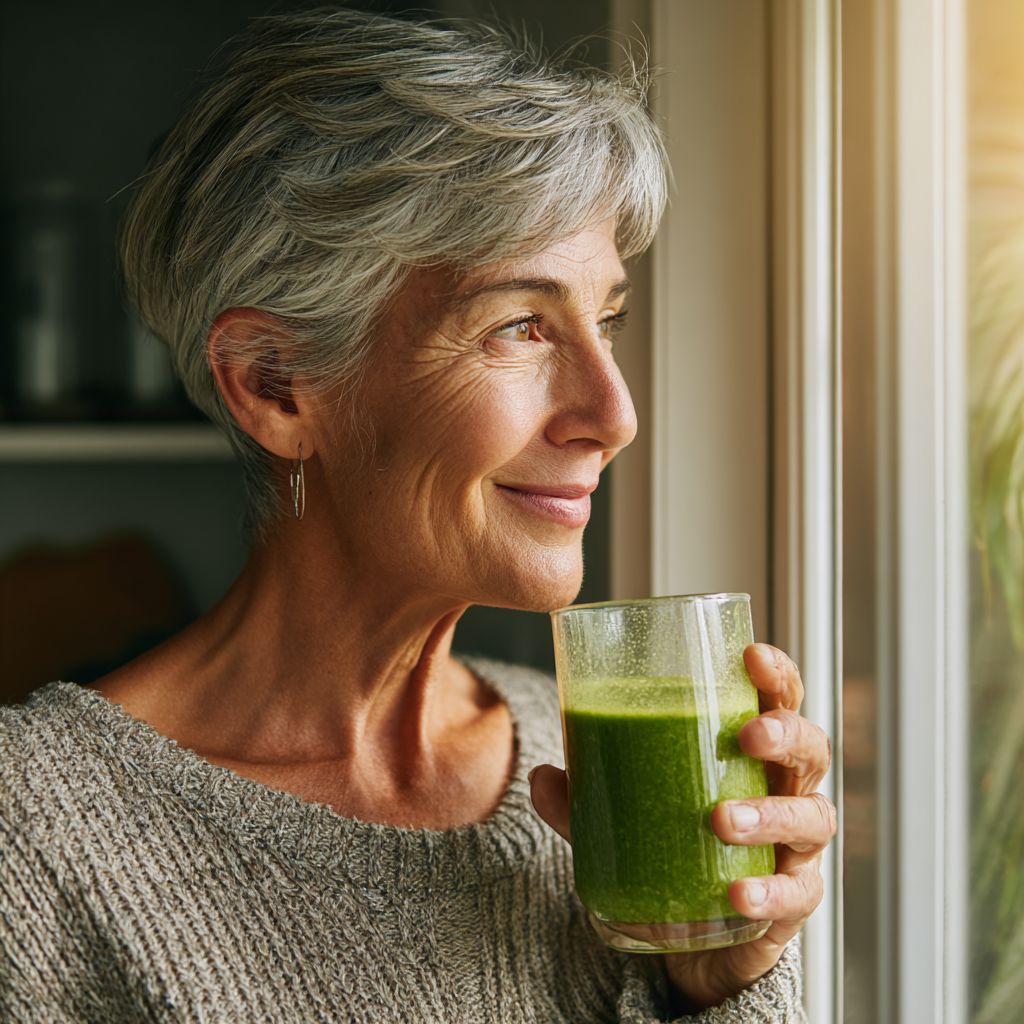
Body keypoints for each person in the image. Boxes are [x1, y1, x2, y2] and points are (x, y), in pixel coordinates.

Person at [0, 9, 833, 1021]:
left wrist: (714, 989)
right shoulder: (34, 833)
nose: (614, 415)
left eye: (605, 319)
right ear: (276, 384)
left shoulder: (583, 767)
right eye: (521, 326)